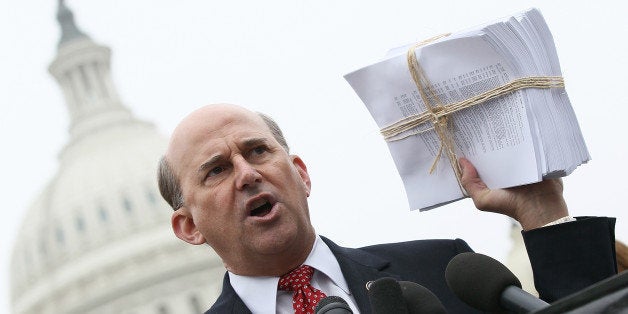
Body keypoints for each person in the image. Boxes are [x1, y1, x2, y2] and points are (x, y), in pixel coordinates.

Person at [158, 103, 617, 313]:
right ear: (189, 226)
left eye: (258, 151)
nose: (248, 174)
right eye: (217, 169)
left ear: (301, 173)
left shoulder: (448, 270)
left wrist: (543, 213)